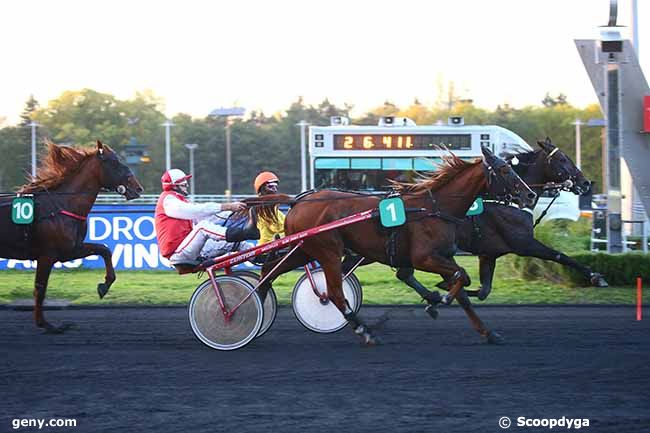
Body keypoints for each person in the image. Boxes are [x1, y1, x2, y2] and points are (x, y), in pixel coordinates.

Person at [155, 169, 259, 265]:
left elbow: (209, 217)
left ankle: (260, 258)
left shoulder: (181, 201)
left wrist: (235, 212)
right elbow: (197, 211)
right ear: (174, 185)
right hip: (178, 254)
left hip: (191, 249)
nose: (187, 185)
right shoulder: (168, 200)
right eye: (184, 182)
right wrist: (227, 206)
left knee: (238, 243)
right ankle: (245, 233)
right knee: (202, 227)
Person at [253, 171, 285, 244]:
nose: (275, 189)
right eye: (270, 186)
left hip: (279, 247)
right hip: (266, 251)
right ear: (261, 190)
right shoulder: (262, 210)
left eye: (276, 186)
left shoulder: (276, 210)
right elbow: (276, 229)